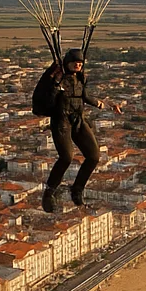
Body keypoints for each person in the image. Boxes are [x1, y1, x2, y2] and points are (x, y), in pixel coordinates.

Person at [42, 48, 122, 212]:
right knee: (66, 157)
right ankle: (49, 193)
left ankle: (77, 189)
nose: (78, 65)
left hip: (78, 119)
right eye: (75, 63)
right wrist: (54, 80)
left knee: (93, 156)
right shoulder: (56, 78)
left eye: (80, 63)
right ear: (67, 63)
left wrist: (107, 104)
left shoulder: (80, 78)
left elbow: (85, 96)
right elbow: (46, 98)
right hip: (61, 121)